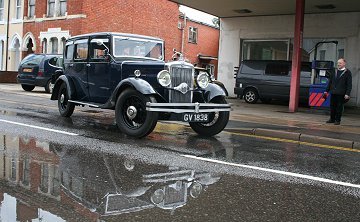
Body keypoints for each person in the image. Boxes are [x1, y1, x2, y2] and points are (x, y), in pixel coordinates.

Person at [324, 58, 352, 125]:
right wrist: (326, 91)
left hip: (341, 93)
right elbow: (330, 82)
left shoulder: (347, 72)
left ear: (344, 63)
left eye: (340, 63)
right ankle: (332, 119)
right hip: (333, 92)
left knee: (339, 107)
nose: (338, 64)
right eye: (338, 63)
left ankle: (337, 120)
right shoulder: (334, 71)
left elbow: (349, 84)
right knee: (332, 106)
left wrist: (347, 93)